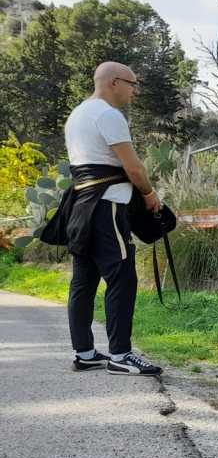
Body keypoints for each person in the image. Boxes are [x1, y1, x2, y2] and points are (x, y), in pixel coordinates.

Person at [61, 61, 163, 376]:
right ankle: (120, 355)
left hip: (81, 207)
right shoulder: (108, 115)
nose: (134, 92)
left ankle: (85, 353)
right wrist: (149, 194)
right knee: (122, 277)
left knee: (83, 281)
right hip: (107, 208)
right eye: (133, 85)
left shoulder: (77, 115)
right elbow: (134, 168)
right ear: (115, 82)